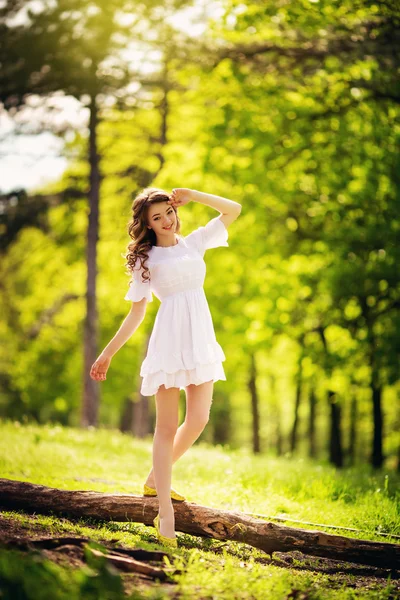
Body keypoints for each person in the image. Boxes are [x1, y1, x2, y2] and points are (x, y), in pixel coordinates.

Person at [90, 187, 242, 547]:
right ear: (146, 224)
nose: (165, 221)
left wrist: (192, 194)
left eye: (167, 213)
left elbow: (233, 209)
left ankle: (154, 479)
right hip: (170, 342)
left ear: (174, 210)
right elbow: (137, 312)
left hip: (200, 340)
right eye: (155, 218)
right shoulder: (147, 261)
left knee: (200, 418)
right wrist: (107, 353)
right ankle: (165, 513)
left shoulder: (195, 243)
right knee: (166, 426)